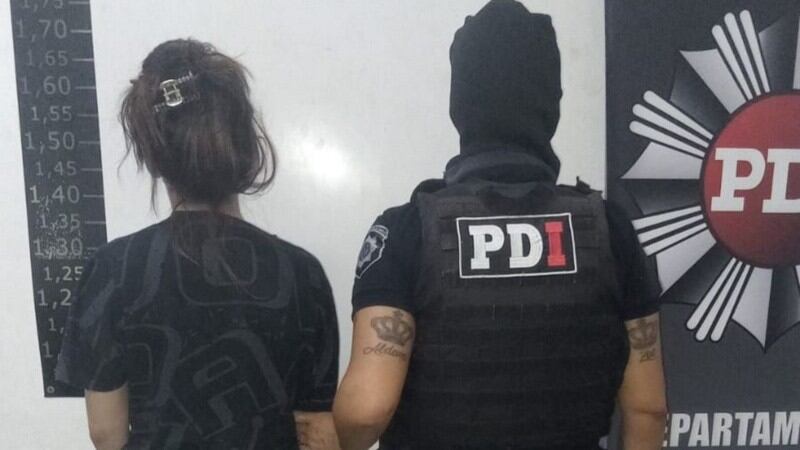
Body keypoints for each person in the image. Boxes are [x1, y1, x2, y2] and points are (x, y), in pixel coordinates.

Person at [333, 1, 667, 449]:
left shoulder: (406, 230)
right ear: (552, 104)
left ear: (460, 106)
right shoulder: (609, 228)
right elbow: (648, 410)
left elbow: (366, 412)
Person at [56, 39, 340, 450]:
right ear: (245, 145)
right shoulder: (302, 272)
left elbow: (106, 432)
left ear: (154, 157)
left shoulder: (114, 268)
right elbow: (315, 427)